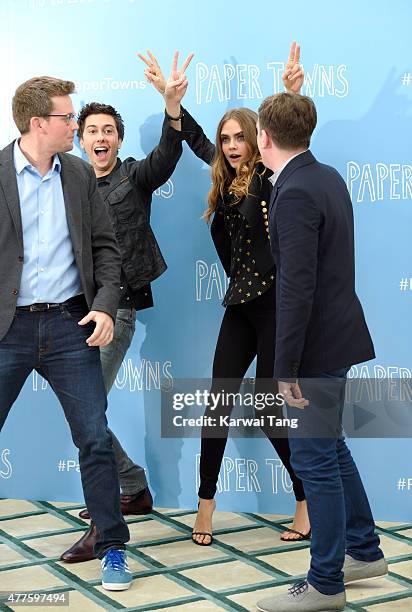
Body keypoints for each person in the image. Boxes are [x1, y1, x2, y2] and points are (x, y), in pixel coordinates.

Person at [139, 43, 311, 546]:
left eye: (241, 137)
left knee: (267, 405)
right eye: (226, 139)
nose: (232, 145)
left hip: (277, 304)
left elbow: (287, 140)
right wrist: (171, 104)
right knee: (218, 400)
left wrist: (289, 94)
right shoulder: (225, 180)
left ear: (258, 141)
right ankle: (206, 505)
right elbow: (191, 137)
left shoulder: (269, 178)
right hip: (240, 305)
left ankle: (304, 500)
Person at [255, 92, 387, 611]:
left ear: (264, 137)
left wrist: (285, 365)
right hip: (336, 338)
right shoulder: (322, 176)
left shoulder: (295, 193)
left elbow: (296, 287)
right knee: (330, 448)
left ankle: (326, 582)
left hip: (314, 348)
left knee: (315, 458)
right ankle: (365, 550)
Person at [60, 53, 195, 563]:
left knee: (87, 406)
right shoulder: (68, 184)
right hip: (71, 312)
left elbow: (167, 154)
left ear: (118, 140)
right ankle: (131, 486)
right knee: (84, 407)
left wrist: (172, 107)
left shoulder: (135, 177)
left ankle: (108, 508)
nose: (100, 137)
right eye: (91, 128)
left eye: (109, 130)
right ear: (79, 137)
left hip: (116, 310)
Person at [0, 76, 132, 591]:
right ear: (39, 124)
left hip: (68, 322)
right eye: (67, 118)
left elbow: (107, 250)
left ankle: (112, 549)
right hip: (7, 328)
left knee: (95, 438)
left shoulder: (77, 175)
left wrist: (103, 307)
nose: (74, 126)